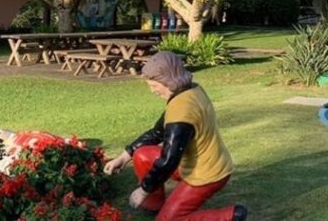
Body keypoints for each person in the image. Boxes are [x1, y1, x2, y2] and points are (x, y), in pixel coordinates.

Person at [104, 52, 247, 221]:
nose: (152, 90)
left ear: (167, 80)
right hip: (194, 162)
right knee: (142, 155)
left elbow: (169, 161)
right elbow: (157, 132)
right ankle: (154, 203)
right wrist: (124, 156)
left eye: (154, 85)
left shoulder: (181, 111)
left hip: (206, 174)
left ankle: (231, 215)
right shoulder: (190, 90)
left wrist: (143, 189)